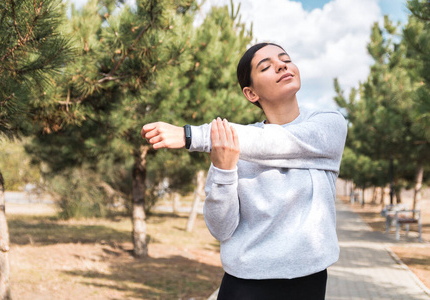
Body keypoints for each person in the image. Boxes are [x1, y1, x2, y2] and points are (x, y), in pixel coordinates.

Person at [141, 42, 347, 300]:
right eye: (266, 66)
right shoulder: (232, 146)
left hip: (309, 284)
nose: (282, 65)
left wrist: (191, 135)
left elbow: (278, 142)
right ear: (251, 94)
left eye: (285, 59)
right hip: (245, 286)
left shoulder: (328, 124)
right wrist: (224, 170)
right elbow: (221, 229)